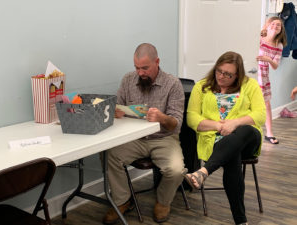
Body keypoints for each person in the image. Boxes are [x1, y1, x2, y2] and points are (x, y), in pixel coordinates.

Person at [102, 43, 186, 224]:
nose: (140, 73)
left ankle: (163, 202)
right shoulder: (128, 80)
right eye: (137, 68)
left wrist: (162, 117)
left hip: (164, 138)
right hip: (134, 139)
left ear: (157, 62)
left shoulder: (173, 84)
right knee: (109, 154)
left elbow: (175, 124)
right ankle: (123, 200)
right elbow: (118, 108)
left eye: (145, 68)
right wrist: (117, 113)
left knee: (176, 170)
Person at [183, 51, 266, 225]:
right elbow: (192, 118)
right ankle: (241, 221)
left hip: (248, 140)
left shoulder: (250, 85)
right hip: (216, 140)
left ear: (238, 75)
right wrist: (219, 126)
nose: (221, 76)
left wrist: (234, 123)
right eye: (219, 71)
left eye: (228, 74)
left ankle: (204, 171)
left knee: (244, 131)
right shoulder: (201, 87)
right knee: (231, 154)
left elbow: (260, 115)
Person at [257, 16, 287, 144]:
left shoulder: (278, 45)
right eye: (273, 24)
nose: (275, 26)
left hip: (264, 75)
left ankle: (269, 133)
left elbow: (275, 66)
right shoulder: (259, 38)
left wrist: (267, 59)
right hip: (254, 72)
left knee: (267, 104)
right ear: (267, 25)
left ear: (281, 30)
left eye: (278, 25)